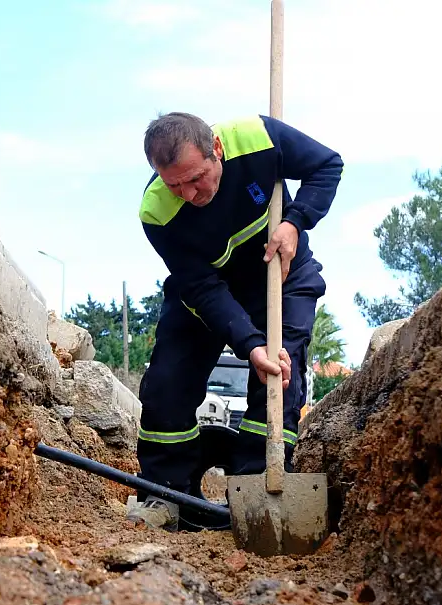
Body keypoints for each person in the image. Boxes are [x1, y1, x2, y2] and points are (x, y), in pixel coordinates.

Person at [128, 112, 343, 531]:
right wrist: (249, 343)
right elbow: (204, 289)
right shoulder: (156, 213)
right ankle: (165, 492)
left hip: (278, 273)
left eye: (197, 178)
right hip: (208, 293)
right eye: (174, 185)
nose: (189, 194)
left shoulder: (257, 138)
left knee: (280, 375)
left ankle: (258, 493)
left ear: (218, 150)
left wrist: (295, 222)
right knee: (166, 386)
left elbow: (326, 165)